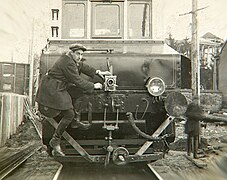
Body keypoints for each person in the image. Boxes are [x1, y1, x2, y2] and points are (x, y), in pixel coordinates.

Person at [36, 43, 111, 156]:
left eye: (81, 54)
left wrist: (97, 72)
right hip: (52, 89)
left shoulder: (70, 60)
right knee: (69, 113)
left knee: (81, 92)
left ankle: (76, 119)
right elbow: (77, 81)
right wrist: (94, 86)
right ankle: (55, 140)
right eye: (77, 54)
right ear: (71, 53)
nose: (79, 56)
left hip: (59, 86)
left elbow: (81, 66)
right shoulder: (67, 63)